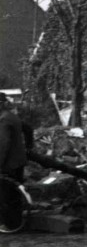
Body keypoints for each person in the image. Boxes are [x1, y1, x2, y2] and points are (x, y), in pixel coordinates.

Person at [0, 94, 33, 231]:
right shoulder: (12, 117)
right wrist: (29, 147)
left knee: (5, 196)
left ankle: (9, 224)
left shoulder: (3, 120)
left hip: (9, 164)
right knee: (14, 195)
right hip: (18, 162)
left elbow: (4, 144)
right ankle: (15, 222)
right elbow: (28, 129)